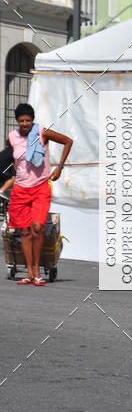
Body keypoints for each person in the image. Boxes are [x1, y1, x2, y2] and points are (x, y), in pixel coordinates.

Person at [7, 103, 72, 285]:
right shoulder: (12, 136)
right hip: (20, 188)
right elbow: (12, 159)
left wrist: (59, 167)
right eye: (22, 121)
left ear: (32, 120)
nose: (25, 123)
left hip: (40, 187)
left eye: (28, 120)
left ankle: (37, 269)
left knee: (37, 227)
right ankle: (30, 272)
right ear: (17, 121)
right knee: (25, 231)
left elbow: (68, 141)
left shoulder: (43, 132)